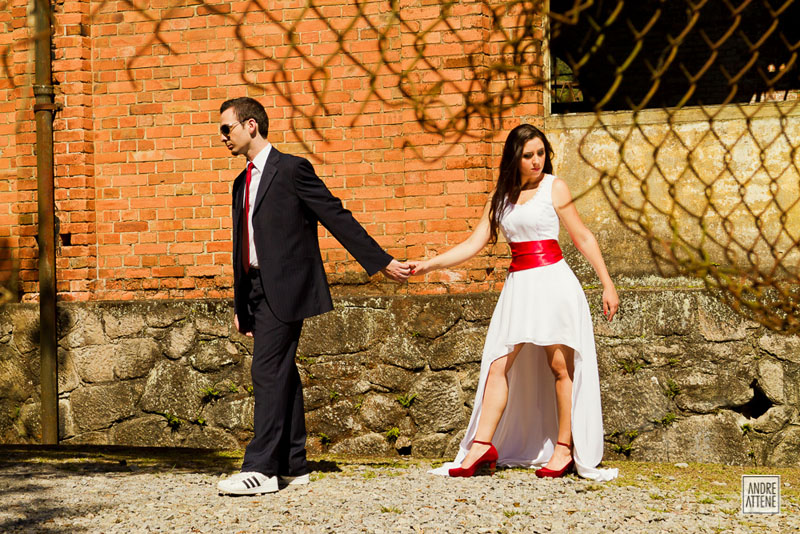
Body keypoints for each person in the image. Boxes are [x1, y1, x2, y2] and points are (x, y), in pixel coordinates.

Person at [217, 97, 411, 495]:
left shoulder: (291, 170)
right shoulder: (241, 182)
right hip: (255, 290)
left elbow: (335, 215)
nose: (223, 137)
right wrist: (241, 304)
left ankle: (262, 469)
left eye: (227, 128)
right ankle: (292, 463)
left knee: (266, 371)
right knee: (282, 371)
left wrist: (381, 261)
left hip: (286, 287)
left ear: (250, 125)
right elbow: (243, 245)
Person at [411, 124, 619, 481]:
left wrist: (607, 283)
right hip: (519, 287)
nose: (536, 161)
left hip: (553, 282)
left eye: (541, 153)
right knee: (497, 364)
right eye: (528, 155)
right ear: (515, 158)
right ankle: (480, 447)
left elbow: (581, 235)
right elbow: (473, 243)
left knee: (559, 366)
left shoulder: (555, 187)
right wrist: (429, 264)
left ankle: (564, 448)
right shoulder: (501, 198)